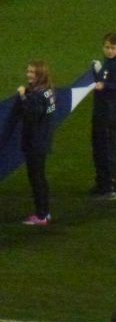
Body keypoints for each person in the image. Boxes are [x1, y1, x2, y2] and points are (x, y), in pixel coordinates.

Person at [13, 60, 56, 225]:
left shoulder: (37, 95)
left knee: (36, 178)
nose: (29, 75)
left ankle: (41, 215)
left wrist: (24, 96)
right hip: (42, 140)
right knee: (40, 178)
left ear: (40, 75)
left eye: (33, 73)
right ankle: (45, 212)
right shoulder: (48, 91)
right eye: (28, 71)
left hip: (35, 142)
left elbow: (32, 116)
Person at [90, 32, 116, 200]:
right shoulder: (108, 64)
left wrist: (104, 85)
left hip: (109, 117)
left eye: (113, 48)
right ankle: (101, 184)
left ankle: (110, 188)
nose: (109, 50)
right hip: (101, 115)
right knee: (98, 150)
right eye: (107, 47)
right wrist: (98, 73)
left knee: (107, 151)